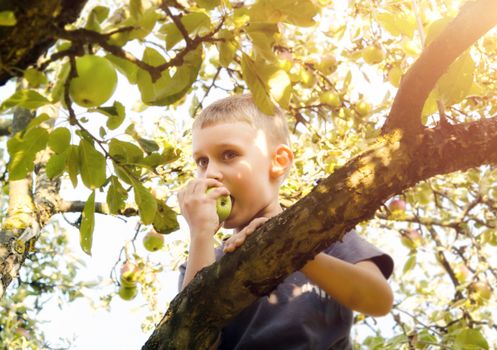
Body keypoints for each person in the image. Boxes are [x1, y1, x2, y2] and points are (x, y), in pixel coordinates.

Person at [177, 94, 394, 349]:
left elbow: (378, 299)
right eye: (202, 162)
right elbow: (186, 342)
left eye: (228, 154)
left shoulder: (324, 235)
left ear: (278, 162)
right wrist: (200, 235)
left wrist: (291, 248)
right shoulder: (204, 262)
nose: (210, 173)